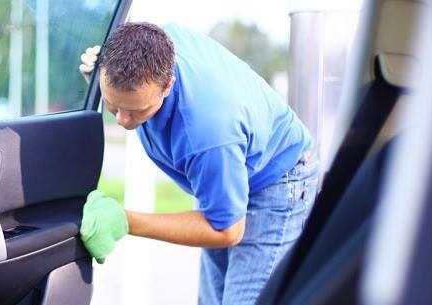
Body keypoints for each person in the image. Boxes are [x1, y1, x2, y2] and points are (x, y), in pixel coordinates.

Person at [77, 22, 319, 305]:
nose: (123, 121)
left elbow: (226, 229)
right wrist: (98, 80)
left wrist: (125, 220)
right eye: (113, 105)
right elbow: (124, 87)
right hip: (225, 166)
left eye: (137, 110)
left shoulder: (208, 132)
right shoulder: (148, 48)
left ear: (168, 85)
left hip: (276, 179)